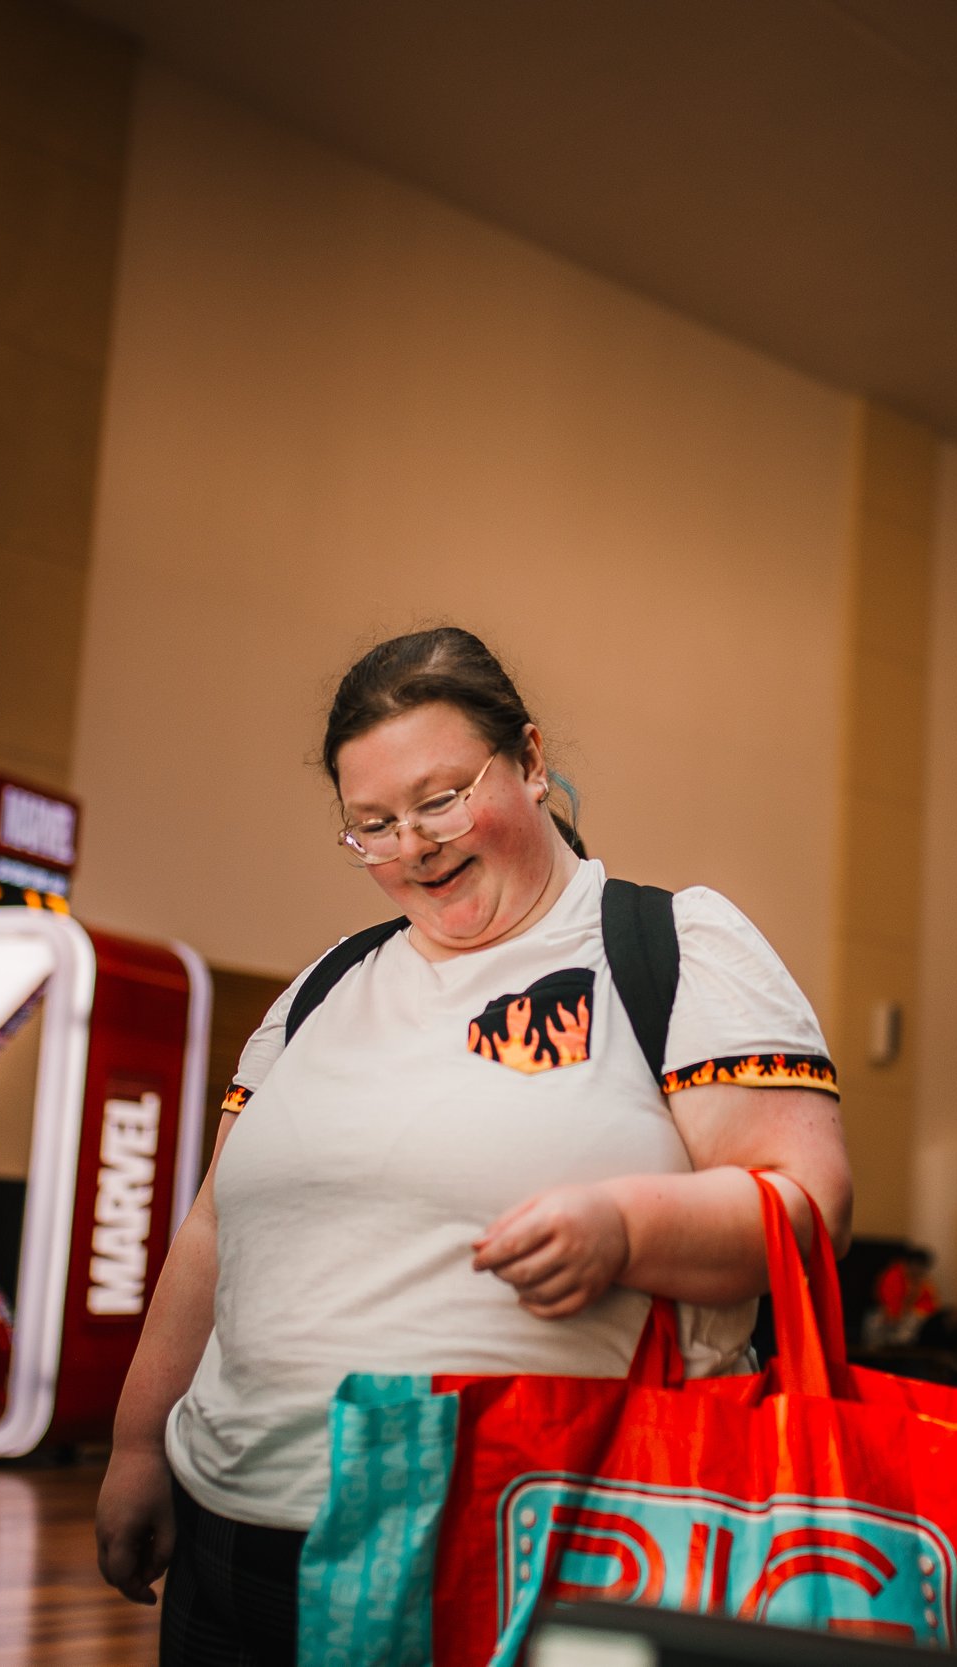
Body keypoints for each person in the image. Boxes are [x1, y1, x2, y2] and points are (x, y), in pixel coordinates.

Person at [95, 626, 853, 1664]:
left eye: (442, 798)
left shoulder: (670, 947)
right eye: (374, 824)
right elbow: (213, 1228)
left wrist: (625, 1228)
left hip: (527, 1552)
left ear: (531, 760)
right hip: (232, 1541)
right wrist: (139, 1445)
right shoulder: (324, 986)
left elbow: (810, 1205)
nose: (413, 844)